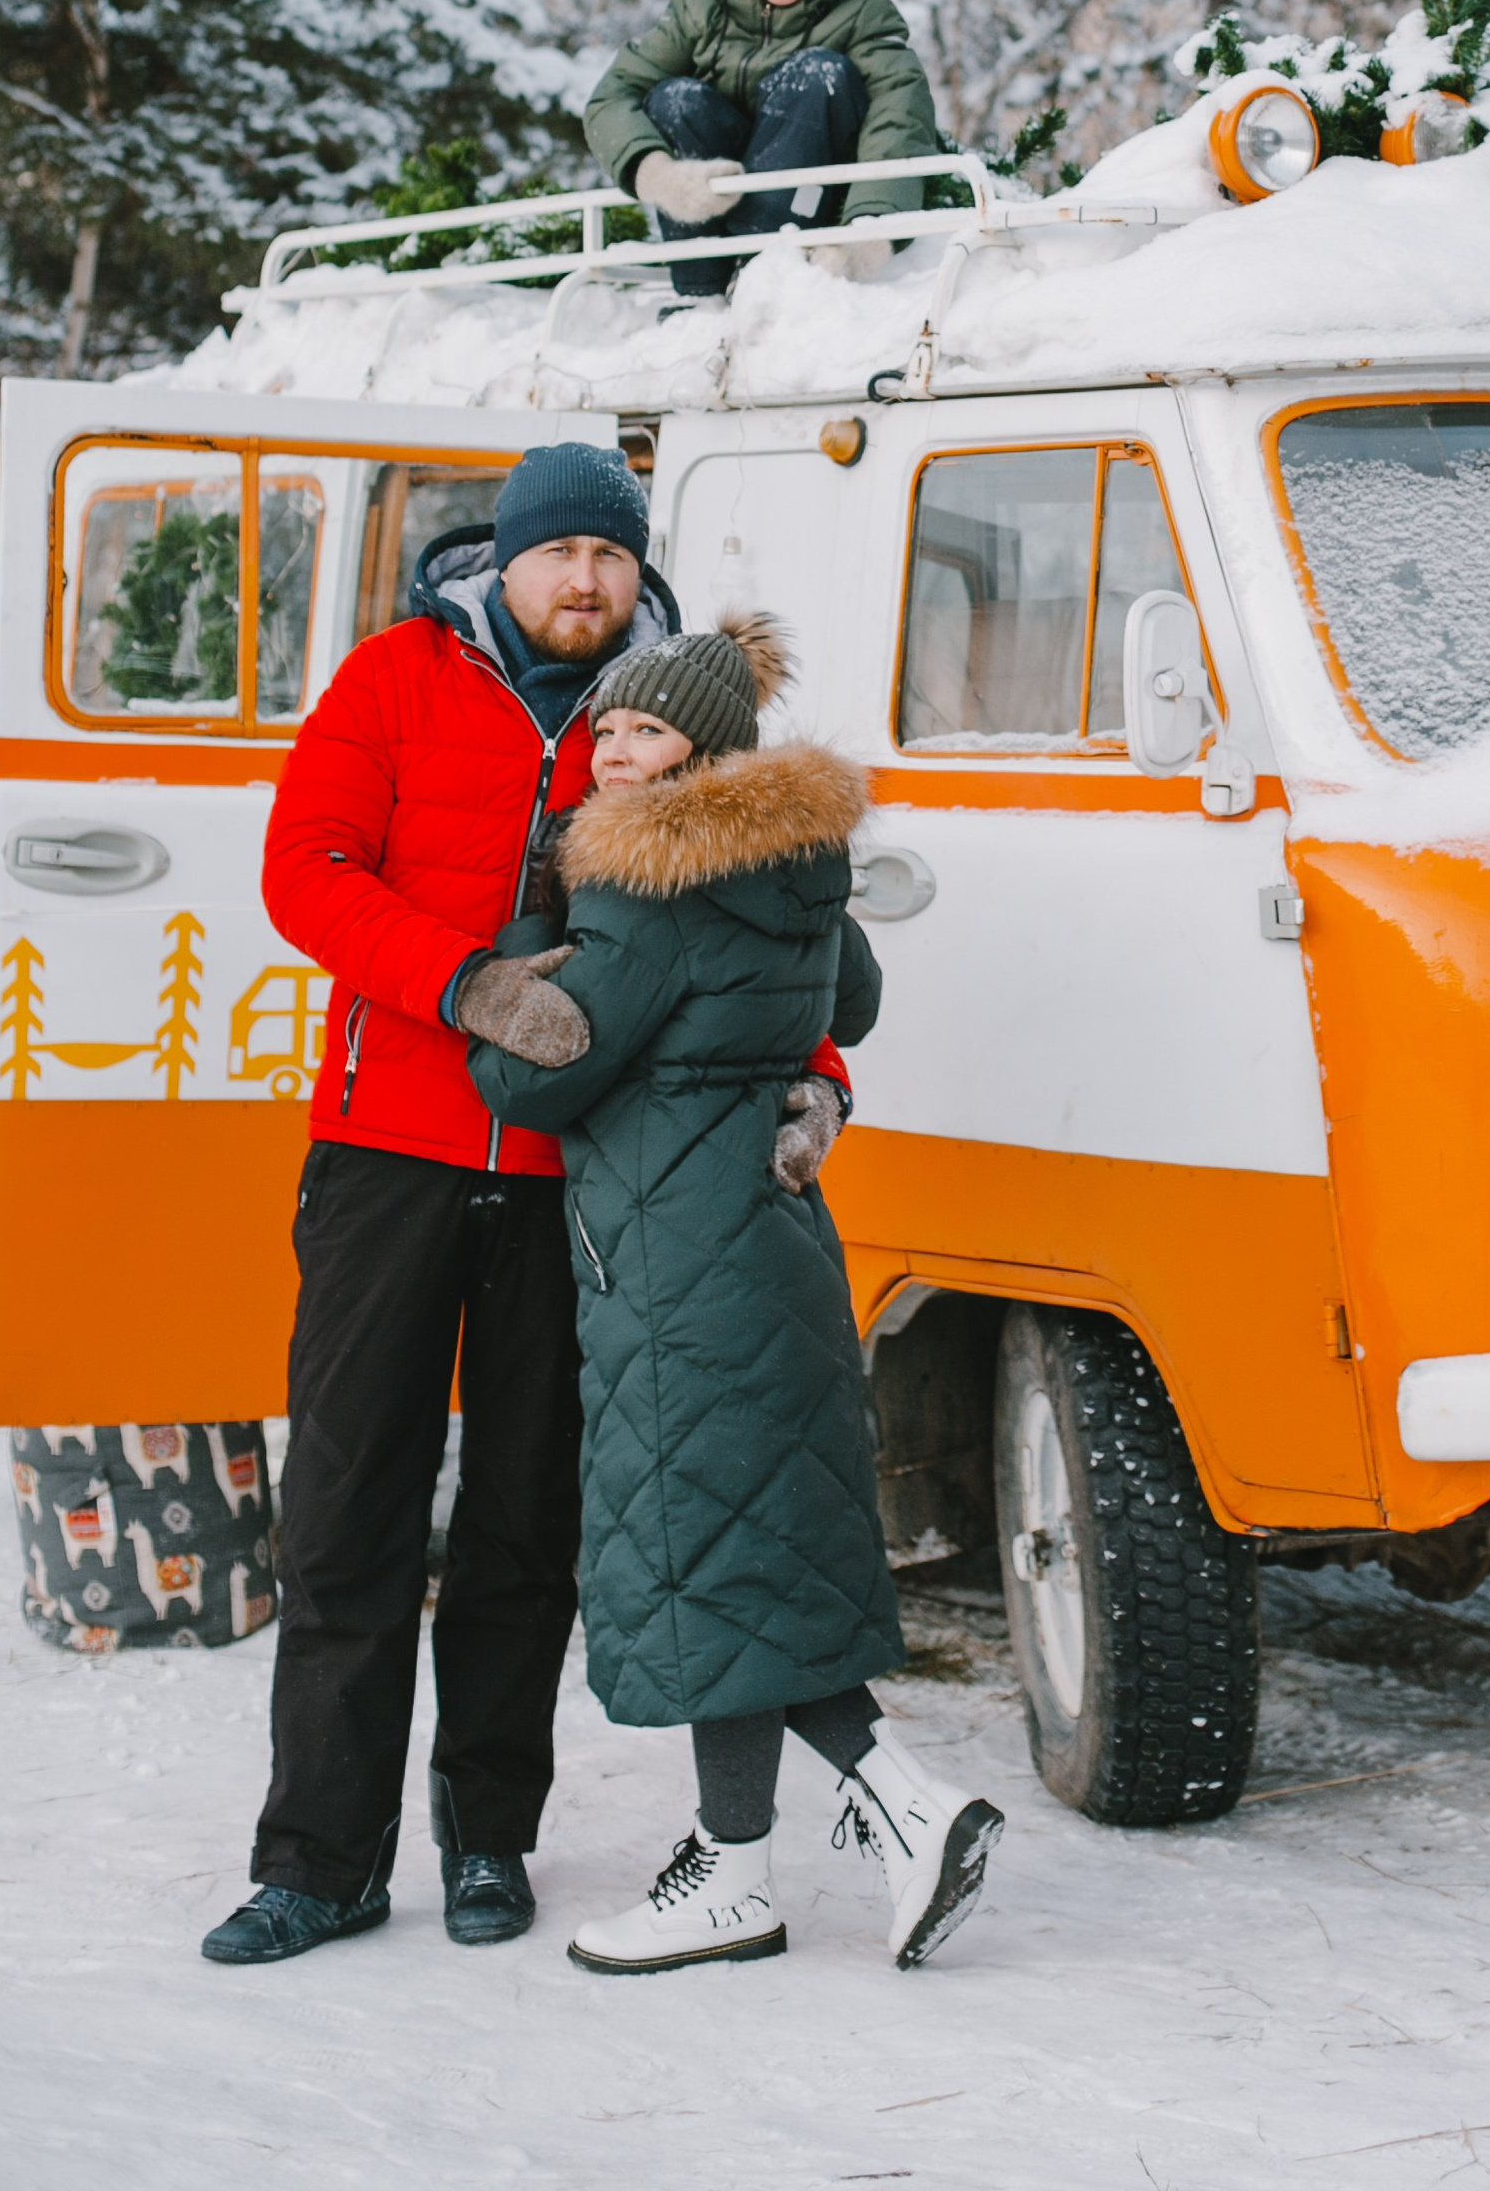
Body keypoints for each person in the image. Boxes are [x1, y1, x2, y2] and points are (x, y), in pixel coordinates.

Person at [199, 442, 856, 1970]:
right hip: (389, 1158)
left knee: (526, 1520)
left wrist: (814, 1074)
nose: (584, 582)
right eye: (559, 554)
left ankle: (488, 1837)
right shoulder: (395, 681)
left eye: (610, 559)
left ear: (638, 570)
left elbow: (772, 900)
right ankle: (319, 1861)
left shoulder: (677, 716)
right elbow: (306, 869)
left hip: (589, 1186)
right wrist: (461, 981)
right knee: (349, 1510)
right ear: (506, 558)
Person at [469, 612, 1003, 1977]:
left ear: (702, 747)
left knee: (710, 1556)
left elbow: (537, 1074)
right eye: (606, 728)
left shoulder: (645, 880)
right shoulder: (794, 859)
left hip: (670, 1253)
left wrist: (514, 949)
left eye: (644, 730)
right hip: (764, 1234)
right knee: (737, 1553)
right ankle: (740, 1871)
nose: (614, 753)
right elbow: (856, 999)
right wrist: (788, 1064)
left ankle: (896, 1804)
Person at [584, 0, 941, 296]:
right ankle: (701, 292)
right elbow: (612, 95)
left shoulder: (863, 15)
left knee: (819, 75)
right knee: (675, 99)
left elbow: (900, 115)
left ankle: (768, 276)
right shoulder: (702, 8)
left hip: (811, 212)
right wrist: (660, 176)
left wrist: (868, 233)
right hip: (714, 213)